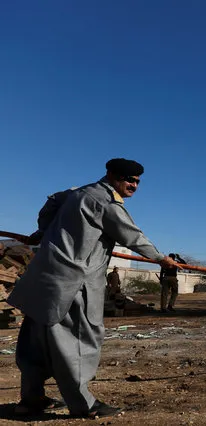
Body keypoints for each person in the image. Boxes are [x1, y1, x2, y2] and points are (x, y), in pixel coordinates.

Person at [7, 158, 181, 419]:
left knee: (35, 345)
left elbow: (50, 204)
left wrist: (42, 232)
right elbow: (132, 236)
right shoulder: (105, 201)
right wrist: (160, 258)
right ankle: (84, 405)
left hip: (41, 280)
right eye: (128, 180)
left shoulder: (74, 194)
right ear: (111, 175)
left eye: (137, 181)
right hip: (72, 285)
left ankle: (31, 400)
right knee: (77, 342)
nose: (133, 185)